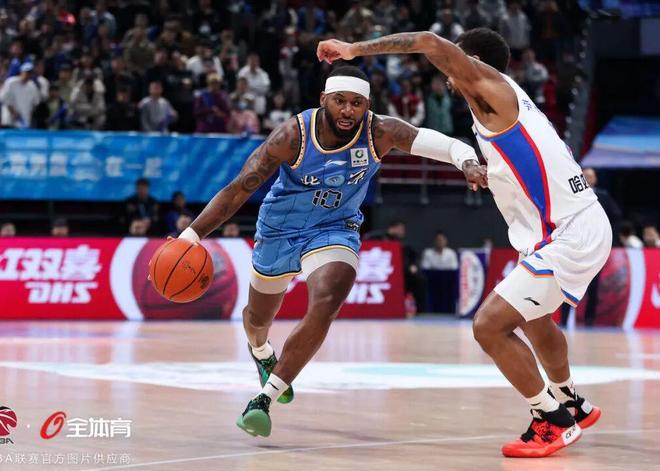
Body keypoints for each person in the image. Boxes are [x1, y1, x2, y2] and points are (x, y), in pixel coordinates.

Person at [318, 27, 611, 458]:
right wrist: (480, 169)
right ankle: (570, 400)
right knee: (535, 319)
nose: (447, 74)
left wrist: (353, 49)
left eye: (455, 63)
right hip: (565, 228)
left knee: (488, 326)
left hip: (569, 231)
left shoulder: (490, 87)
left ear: (470, 61)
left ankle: (551, 419)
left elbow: (428, 41)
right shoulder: (500, 102)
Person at [175, 65, 485, 437]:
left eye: (357, 103)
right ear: (324, 99)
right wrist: (189, 237)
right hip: (279, 230)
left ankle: (264, 400)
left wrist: (467, 162)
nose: (348, 111)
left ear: (367, 105)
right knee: (257, 320)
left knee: (328, 299)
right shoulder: (292, 135)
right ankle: (261, 352)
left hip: (335, 227)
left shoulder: (380, 132)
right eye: (340, 101)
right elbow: (239, 188)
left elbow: (446, 144)